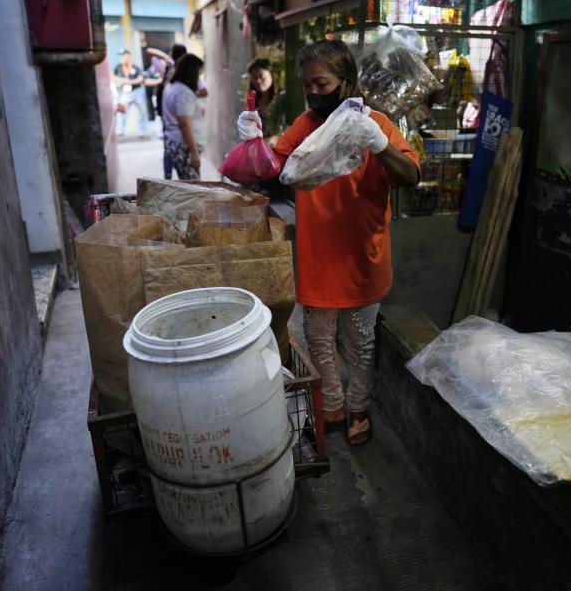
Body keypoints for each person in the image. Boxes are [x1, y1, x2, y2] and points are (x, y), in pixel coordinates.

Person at [239, 39, 420, 445]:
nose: (314, 92)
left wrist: (378, 143)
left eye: (322, 83)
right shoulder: (306, 126)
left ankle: (358, 407)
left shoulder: (377, 124)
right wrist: (253, 142)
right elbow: (265, 171)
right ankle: (333, 404)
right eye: (308, 85)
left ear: (347, 80)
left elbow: (410, 176)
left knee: (360, 344)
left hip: (363, 259)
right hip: (318, 260)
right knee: (319, 341)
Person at [161, 53, 206, 180]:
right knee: (194, 189)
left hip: (173, 142)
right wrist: (194, 153)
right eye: (198, 73)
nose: (199, 77)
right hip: (182, 145)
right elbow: (184, 124)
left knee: (187, 186)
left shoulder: (171, 87)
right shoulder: (183, 92)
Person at [246, 58, 288, 144]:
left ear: (271, 74)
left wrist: (275, 138)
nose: (258, 81)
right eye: (254, 78)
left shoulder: (283, 98)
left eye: (261, 76)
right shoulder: (253, 103)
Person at [113, 49, 149, 137]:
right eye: (121, 56)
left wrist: (130, 82)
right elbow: (113, 77)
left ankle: (142, 130)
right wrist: (123, 81)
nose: (123, 57)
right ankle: (120, 131)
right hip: (125, 92)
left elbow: (140, 79)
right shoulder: (118, 67)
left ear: (128, 55)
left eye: (124, 55)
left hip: (137, 91)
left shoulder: (136, 67)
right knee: (122, 111)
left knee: (142, 111)